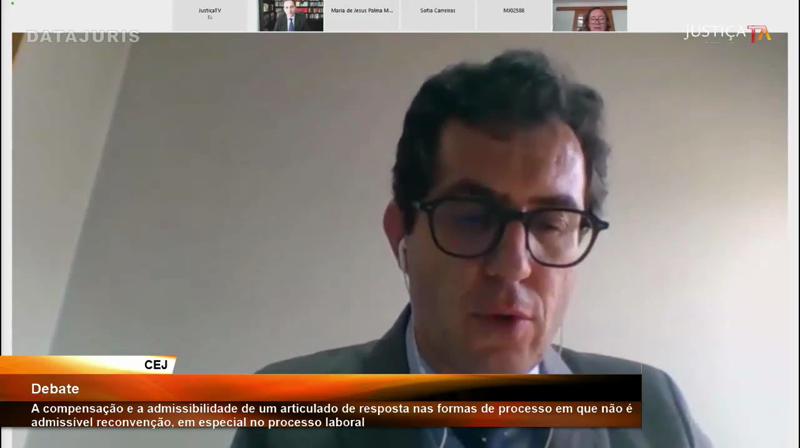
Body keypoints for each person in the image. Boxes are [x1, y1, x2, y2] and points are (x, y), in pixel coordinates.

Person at [231, 50, 712, 447]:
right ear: (401, 234)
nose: (514, 266)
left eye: (550, 223)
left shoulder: (655, 412)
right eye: (472, 218)